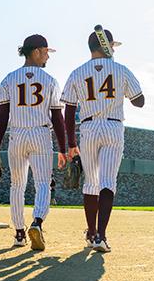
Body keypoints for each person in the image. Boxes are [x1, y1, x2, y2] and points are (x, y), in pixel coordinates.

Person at [61, 27, 144, 253]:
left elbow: (68, 111)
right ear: (107, 47)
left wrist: (70, 143)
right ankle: (101, 236)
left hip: (88, 126)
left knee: (91, 182)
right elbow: (140, 101)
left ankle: (90, 232)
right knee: (107, 181)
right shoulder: (120, 69)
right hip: (113, 125)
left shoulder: (77, 72)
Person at [0, 34, 67, 250]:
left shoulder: (8, 79)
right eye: (45, 52)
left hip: (17, 136)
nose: (47, 57)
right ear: (35, 52)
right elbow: (57, 117)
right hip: (41, 135)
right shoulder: (50, 80)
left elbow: (2, 116)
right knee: (43, 183)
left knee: (17, 185)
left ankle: (18, 234)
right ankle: (37, 222)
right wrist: (63, 148)